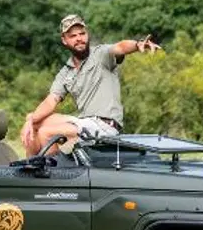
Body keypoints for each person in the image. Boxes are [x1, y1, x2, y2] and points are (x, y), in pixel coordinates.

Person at [20, 14, 160, 156]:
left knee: (46, 133)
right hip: (84, 123)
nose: (79, 38)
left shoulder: (100, 55)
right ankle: (27, 170)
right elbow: (51, 101)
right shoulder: (66, 72)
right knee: (34, 123)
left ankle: (55, 173)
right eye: (73, 36)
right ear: (64, 40)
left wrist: (137, 45)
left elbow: (120, 47)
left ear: (87, 34)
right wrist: (30, 121)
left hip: (104, 127)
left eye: (82, 33)